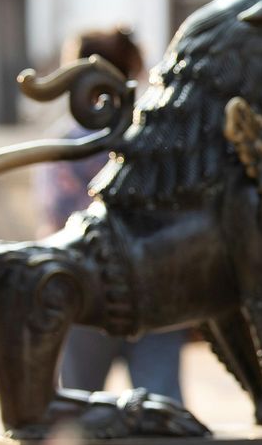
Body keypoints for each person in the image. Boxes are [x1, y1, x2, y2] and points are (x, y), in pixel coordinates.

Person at [35, 27, 187, 403]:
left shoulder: (67, 145)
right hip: (156, 288)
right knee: (163, 408)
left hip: (87, 293)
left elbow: (58, 218)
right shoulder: (160, 141)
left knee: (74, 414)